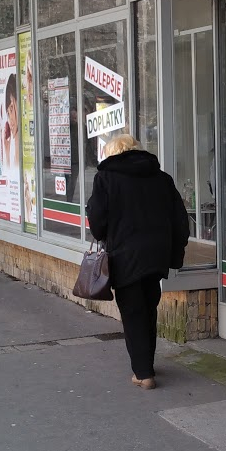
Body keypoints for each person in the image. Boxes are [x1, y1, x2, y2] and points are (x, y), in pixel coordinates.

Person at [86, 132, 190, 390]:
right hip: (156, 255)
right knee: (148, 308)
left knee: (133, 313)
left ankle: (143, 373)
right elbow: (180, 220)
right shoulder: (162, 178)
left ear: (113, 153)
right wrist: (175, 252)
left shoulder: (106, 178)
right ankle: (147, 365)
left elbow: (97, 223)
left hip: (125, 256)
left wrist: (107, 233)